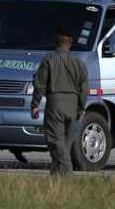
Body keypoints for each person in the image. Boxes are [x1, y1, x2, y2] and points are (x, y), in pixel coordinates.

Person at [31, 28, 88, 176]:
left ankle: (67, 173)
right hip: (73, 105)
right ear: (71, 43)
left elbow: (40, 84)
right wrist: (81, 108)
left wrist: (35, 104)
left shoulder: (49, 59)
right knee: (65, 144)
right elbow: (84, 89)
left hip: (55, 104)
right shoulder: (79, 62)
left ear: (55, 42)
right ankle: (56, 175)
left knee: (55, 141)